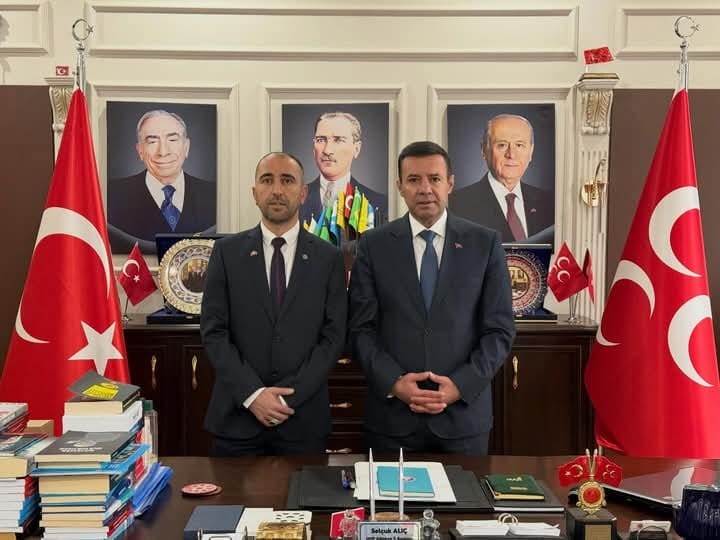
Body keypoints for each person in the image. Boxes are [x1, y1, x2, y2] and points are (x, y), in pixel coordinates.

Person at [348, 141, 515, 454]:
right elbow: (361, 329)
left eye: (434, 179)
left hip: (463, 421)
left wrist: (460, 386)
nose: (425, 189)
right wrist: (394, 382)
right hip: (392, 422)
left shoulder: (484, 243)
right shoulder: (373, 246)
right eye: (414, 180)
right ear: (400, 186)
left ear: (450, 183)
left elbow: (499, 330)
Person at [200, 152, 347, 455]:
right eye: (267, 180)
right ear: (255, 193)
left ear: (303, 193)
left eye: (287, 180)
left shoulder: (329, 258)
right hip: (237, 421)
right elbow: (214, 333)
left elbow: (333, 337)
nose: (277, 190)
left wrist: (286, 398)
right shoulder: (226, 253)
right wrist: (253, 395)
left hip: (303, 422)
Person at [107, 110, 216, 253]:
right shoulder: (112, 196)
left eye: (172, 140)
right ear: (140, 151)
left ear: (186, 147)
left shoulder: (213, 195)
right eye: (152, 141)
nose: (163, 152)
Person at [449, 114, 554, 244]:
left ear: (531, 151)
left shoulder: (548, 203)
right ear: (484, 150)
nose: (511, 154)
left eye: (519, 145)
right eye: (502, 145)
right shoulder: (457, 205)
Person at [300, 111, 387, 225]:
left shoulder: (379, 204)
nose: (327, 150)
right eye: (321, 140)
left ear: (356, 149)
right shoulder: (295, 199)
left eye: (338, 140)